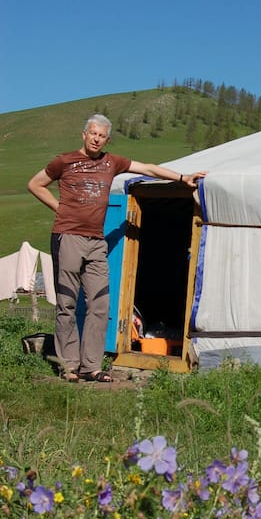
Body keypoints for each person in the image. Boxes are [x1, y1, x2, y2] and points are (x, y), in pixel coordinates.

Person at [27, 114, 206, 383]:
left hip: (96, 241)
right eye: (93, 134)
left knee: (100, 305)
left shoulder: (112, 162)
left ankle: (91, 366)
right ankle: (68, 366)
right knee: (67, 303)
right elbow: (35, 184)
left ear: (107, 139)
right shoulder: (64, 161)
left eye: (102, 136)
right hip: (68, 237)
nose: (96, 139)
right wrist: (60, 209)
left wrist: (182, 178)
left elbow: (147, 169)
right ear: (84, 134)